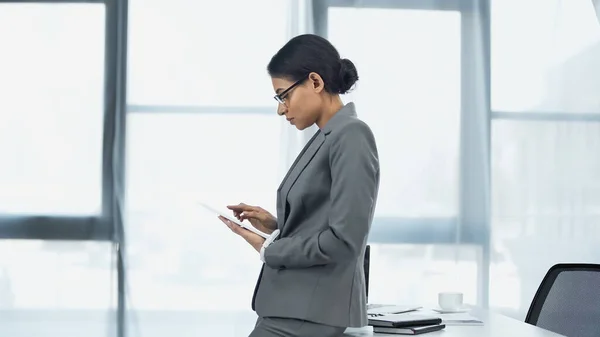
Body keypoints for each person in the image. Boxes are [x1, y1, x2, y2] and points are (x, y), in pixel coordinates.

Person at [218, 33, 380, 337]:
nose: (281, 109)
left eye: (284, 95)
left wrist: (269, 248)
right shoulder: (329, 136)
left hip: (308, 314)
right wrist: (276, 226)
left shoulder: (352, 135)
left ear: (315, 82)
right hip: (294, 310)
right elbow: (324, 225)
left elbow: (345, 241)